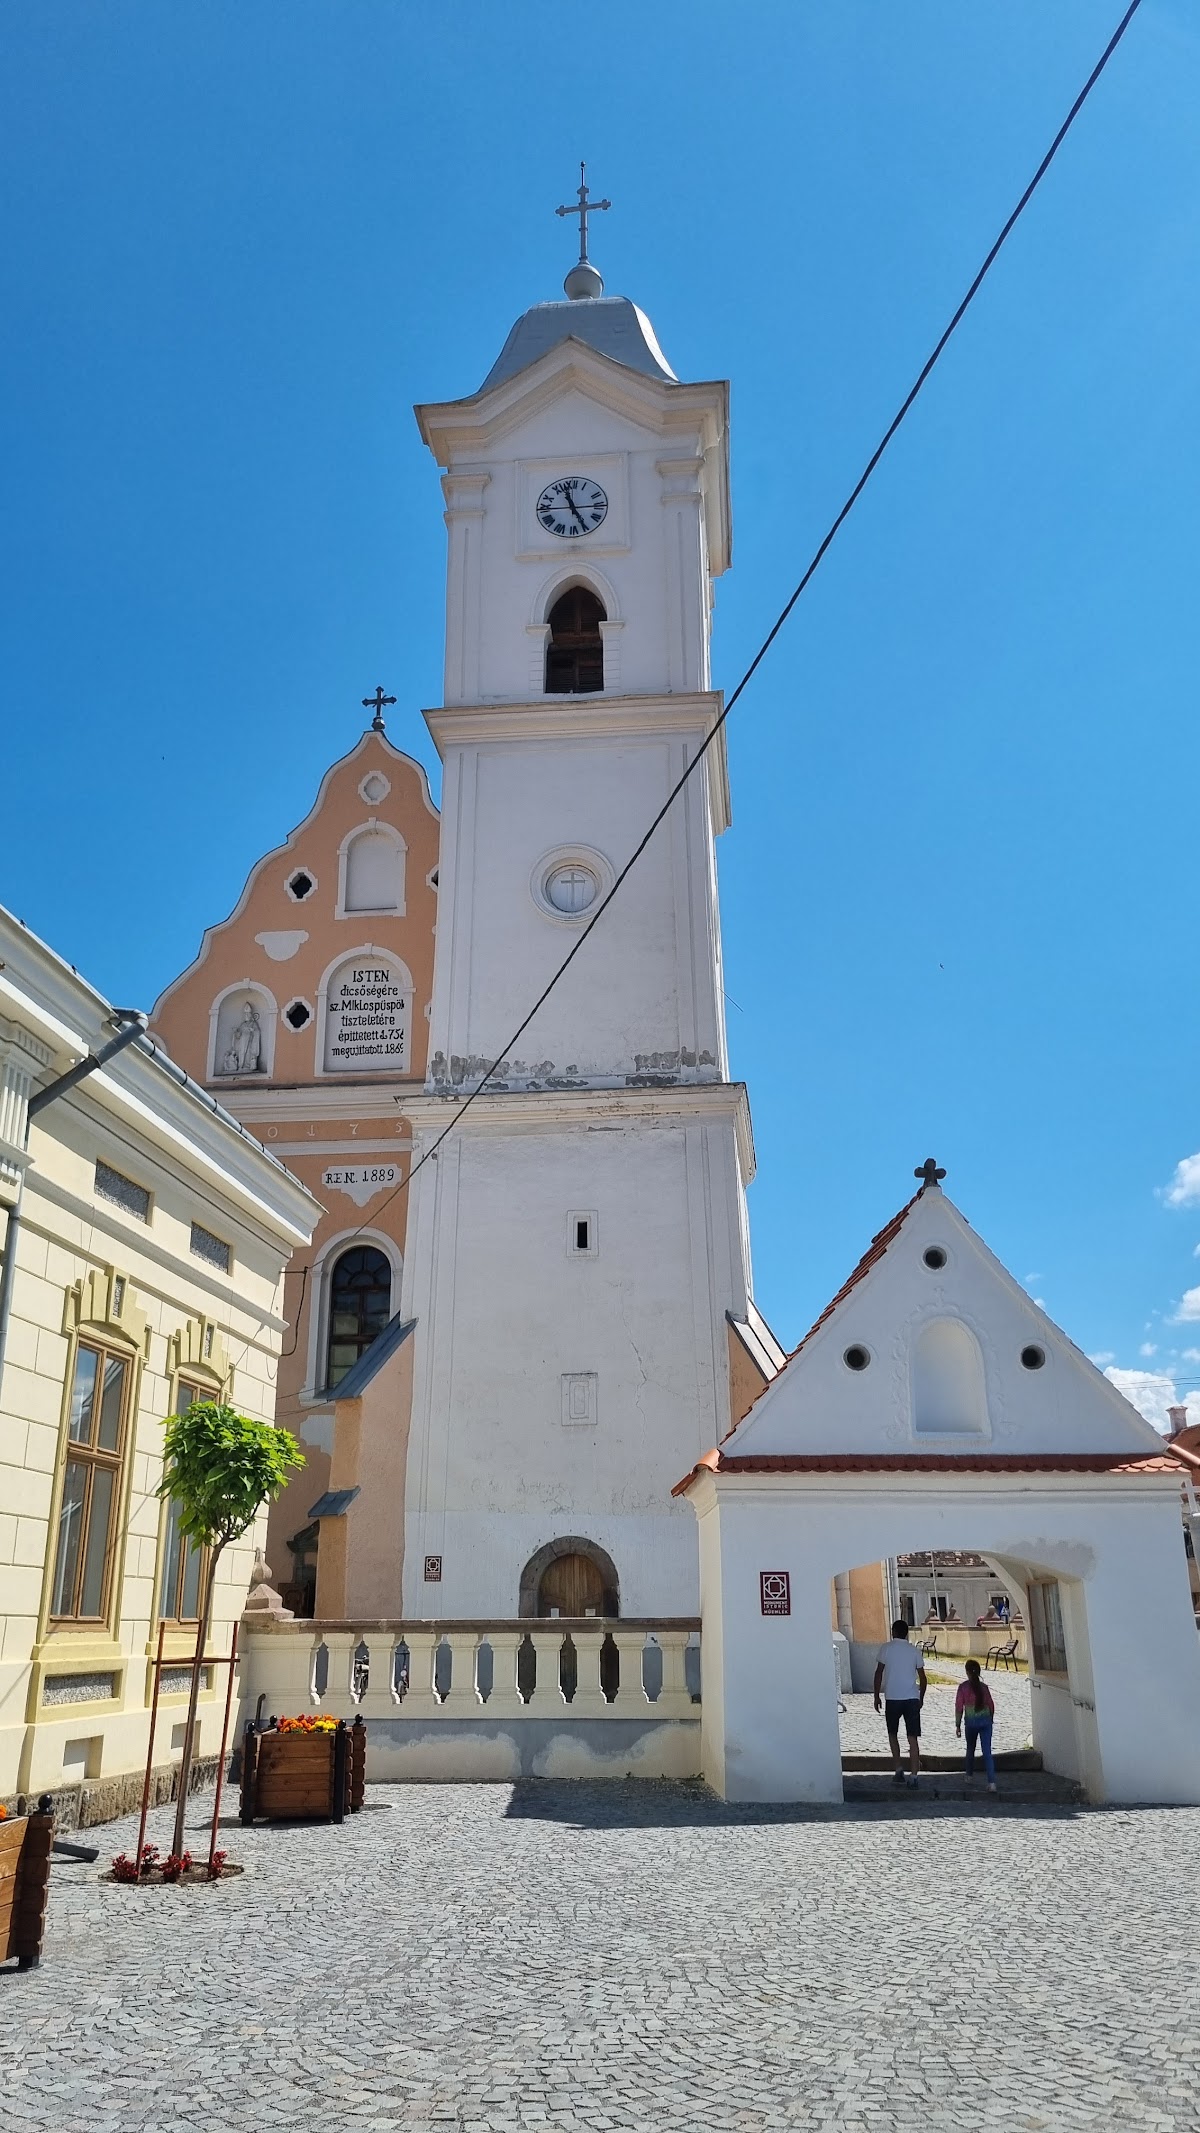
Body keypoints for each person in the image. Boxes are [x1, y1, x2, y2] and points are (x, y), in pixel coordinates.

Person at [873, 1620, 928, 1787]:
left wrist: (876, 1696)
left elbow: (878, 1673)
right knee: (913, 1738)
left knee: (892, 1734)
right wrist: (921, 1697)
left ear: (893, 1632)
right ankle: (914, 1776)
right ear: (906, 1633)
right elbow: (923, 1678)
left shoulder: (886, 1649)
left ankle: (898, 1769)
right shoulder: (914, 1651)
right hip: (911, 1697)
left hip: (893, 1697)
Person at [955, 1659, 997, 1792]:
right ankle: (992, 1782)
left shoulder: (963, 1688)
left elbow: (959, 1707)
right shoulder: (984, 1688)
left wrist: (958, 1724)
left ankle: (969, 1775)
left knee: (970, 1749)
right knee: (987, 1752)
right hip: (985, 1722)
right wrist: (990, 1718)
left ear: (967, 1672)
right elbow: (991, 1705)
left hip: (971, 1723)